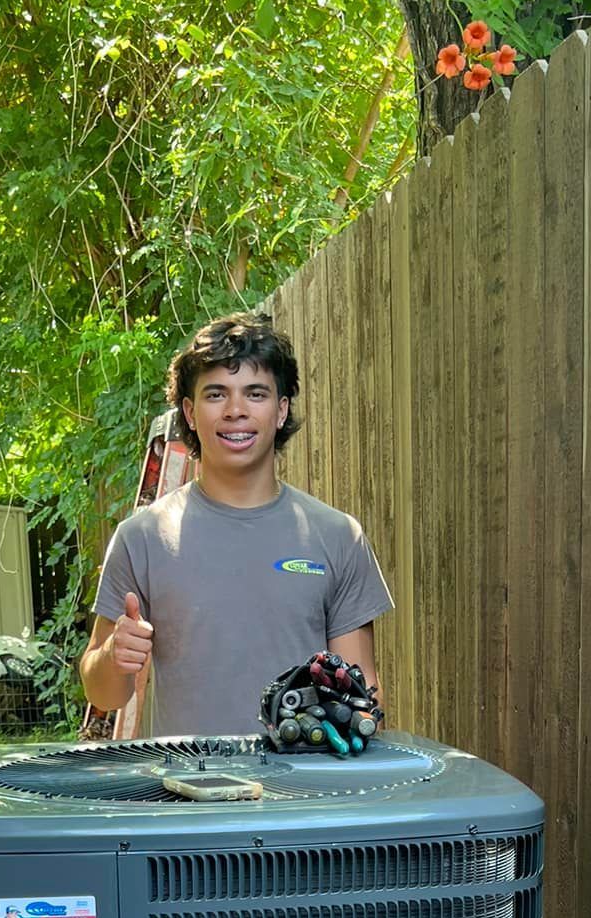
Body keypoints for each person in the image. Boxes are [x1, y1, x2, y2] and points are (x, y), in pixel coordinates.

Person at [80, 312, 394, 737]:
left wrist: (355, 720)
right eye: (216, 395)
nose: (236, 411)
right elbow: (104, 695)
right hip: (188, 793)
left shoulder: (337, 537)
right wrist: (114, 656)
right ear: (189, 412)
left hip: (303, 795)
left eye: (256, 393)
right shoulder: (143, 538)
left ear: (281, 410)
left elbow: (362, 693)